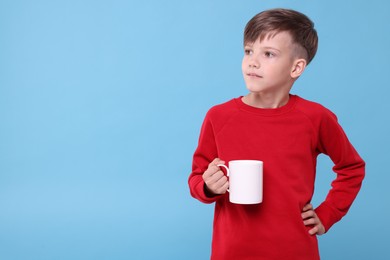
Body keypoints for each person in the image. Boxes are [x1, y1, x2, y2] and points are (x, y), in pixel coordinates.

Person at [188, 8, 365, 260]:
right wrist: (207, 186)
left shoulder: (315, 118)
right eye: (248, 51)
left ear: (296, 67)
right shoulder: (219, 116)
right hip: (232, 251)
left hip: (295, 250)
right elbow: (196, 177)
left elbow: (352, 167)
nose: (253, 61)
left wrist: (328, 213)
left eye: (268, 54)